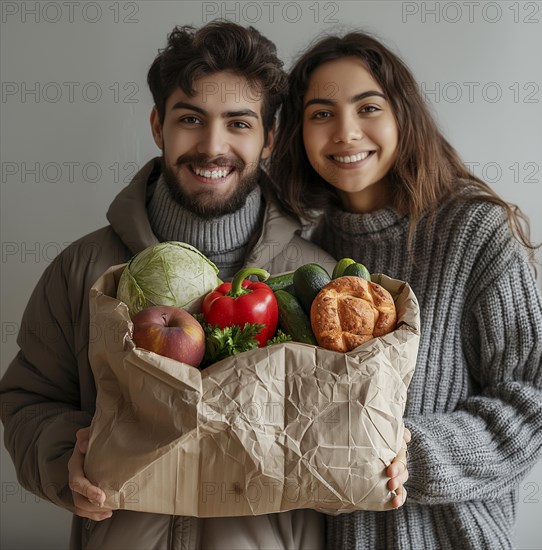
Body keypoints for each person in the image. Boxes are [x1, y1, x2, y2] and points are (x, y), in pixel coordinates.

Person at [0, 22, 409, 550]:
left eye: (238, 123)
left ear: (270, 138)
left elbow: (351, 428)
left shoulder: (319, 283)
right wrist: (63, 461)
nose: (212, 146)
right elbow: (28, 399)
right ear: (158, 126)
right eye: (191, 119)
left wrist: (389, 448)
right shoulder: (83, 268)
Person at [270, 31, 542, 549]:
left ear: (402, 115)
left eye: (367, 107)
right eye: (321, 114)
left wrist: (416, 451)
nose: (346, 133)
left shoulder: (473, 231)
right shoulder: (305, 259)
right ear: (299, 134)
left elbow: (537, 398)